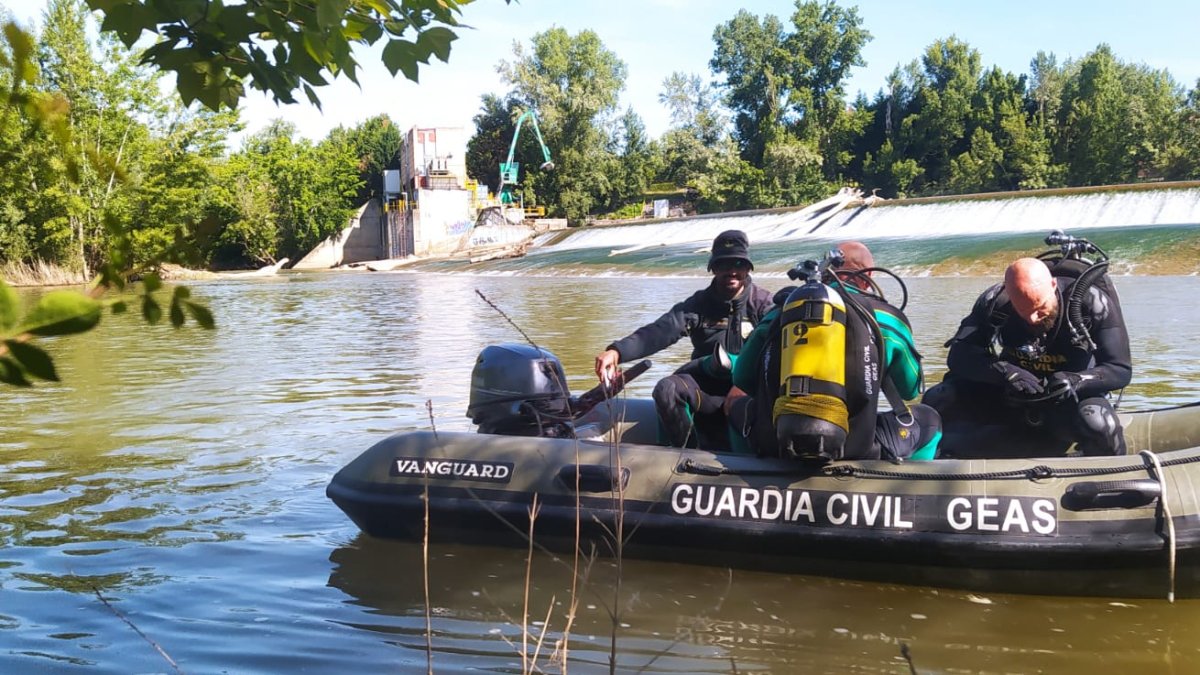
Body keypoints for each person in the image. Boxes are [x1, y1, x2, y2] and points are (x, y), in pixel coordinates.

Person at [724, 242, 940, 461]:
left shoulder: (782, 311)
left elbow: (742, 378)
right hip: (857, 448)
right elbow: (910, 390)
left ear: (827, 272)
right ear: (869, 276)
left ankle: (749, 471)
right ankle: (909, 485)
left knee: (737, 407)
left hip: (776, 442)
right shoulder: (887, 318)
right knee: (929, 419)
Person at [923, 255, 1131, 457]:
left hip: (1067, 401)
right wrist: (1005, 372)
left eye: (1040, 308)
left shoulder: (1091, 303)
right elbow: (959, 356)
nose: (1032, 318)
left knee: (1099, 423)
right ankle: (937, 464)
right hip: (1010, 396)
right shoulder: (995, 301)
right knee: (939, 397)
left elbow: (1119, 369)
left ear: (1052, 285)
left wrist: (1075, 381)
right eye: (1023, 309)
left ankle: (1112, 482)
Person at [594, 230, 774, 449]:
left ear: (748, 267)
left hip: (750, 390)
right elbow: (659, 332)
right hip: (706, 388)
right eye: (724, 265)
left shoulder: (764, 304)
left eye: (739, 264)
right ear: (713, 268)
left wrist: (746, 385)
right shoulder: (698, 305)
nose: (732, 272)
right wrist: (616, 352)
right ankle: (686, 457)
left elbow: (779, 352)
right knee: (666, 388)